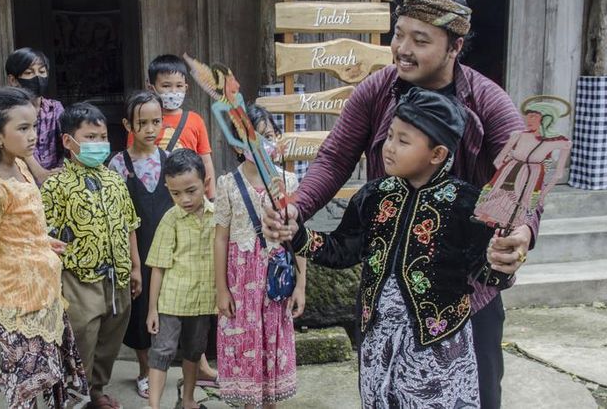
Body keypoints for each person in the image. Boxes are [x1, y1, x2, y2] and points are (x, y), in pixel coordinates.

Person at [263, 0, 536, 409]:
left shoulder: (487, 102)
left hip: (465, 295)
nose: (402, 49)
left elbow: (520, 179)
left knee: (478, 397)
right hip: (387, 293)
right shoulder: (377, 90)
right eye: (398, 34)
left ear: (455, 46)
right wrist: (296, 209)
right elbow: (335, 158)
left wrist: (519, 231)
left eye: (420, 40)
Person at [292, 88, 508, 407]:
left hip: (438, 343)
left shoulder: (467, 204)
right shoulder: (373, 196)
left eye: (403, 141)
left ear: (437, 154)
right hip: (378, 337)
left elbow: (486, 272)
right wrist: (297, 236)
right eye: (389, 136)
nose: (388, 148)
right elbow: (344, 249)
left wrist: (503, 259)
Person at [0, 87, 89, 408]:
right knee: (29, 385)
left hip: (44, 291)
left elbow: (19, 229)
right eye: (22, 128)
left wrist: (41, 242)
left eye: (34, 126)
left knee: (51, 378)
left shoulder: (20, 168)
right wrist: (28, 248)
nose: (33, 136)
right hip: (19, 299)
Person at [41, 102, 142, 409]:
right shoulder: (55, 185)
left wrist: (135, 267)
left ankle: (96, 390)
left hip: (118, 275)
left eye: (101, 137)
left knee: (110, 338)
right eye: (90, 137)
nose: (98, 143)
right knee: (82, 339)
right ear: (68, 141)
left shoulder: (114, 179)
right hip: (79, 278)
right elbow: (45, 237)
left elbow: (130, 223)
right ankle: (75, 397)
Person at [215, 104, 305, 408]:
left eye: (267, 136)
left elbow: (298, 238)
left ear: (277, 137)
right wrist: (220, 289)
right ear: (236, 146)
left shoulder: (289, 182)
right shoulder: (227, 184)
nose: (261, 145)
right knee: (244, 345)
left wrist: (301, 285)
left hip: (276, 281)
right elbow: (220, 238)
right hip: (240, 283)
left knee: (273, 344)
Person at [108, 90, 173, 399]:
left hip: (169, 250)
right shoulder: (119, 165)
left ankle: (182, 365)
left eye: (156, 122)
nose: (150, 129)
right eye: (143, 122)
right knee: (141, 310)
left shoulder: (170, 160)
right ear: (128, 125)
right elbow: (119, 218)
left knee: (171, 306)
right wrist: (132, 262)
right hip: (138, 249)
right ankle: (145, 370)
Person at [145, 149, 217, 409]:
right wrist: (152, 309)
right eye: (175, 193)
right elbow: (158, 267)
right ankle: (153, 406)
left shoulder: (218, 217)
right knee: (161, 352)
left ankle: (188, 399)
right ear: (168, 189)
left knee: (194, 352)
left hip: (203, 301)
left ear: (205, 183)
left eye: (191, 191)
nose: (184, 199)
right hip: (171, 302)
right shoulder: (170, 220)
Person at [128, 54, 217, 200]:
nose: (173, 91)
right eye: (166, 86)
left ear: (186, 87)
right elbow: (133, 159)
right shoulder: (141, 121)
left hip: (189, 195)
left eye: (179, 86)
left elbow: (205, 161)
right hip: (155, 195)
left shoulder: (195, 120)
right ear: (151, 87)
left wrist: (212, 196)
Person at [474, 98, 572, 230]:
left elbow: (558, 174)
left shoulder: (559, 142)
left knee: (520, 209)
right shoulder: (517, 135)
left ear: (546, 118)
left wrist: (542, 195)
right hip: (507, 173)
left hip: (531, 179)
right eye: (527, 116)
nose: (528, 120)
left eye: (533, 116)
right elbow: (498, 160)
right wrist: (504, 171)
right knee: (494, 206)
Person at [6, 48, 65, 185]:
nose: (37, 77)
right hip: (20, 183)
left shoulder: (55, 109)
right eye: (29, 72)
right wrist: (39, 173)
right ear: (13, 80)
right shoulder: (7, 111)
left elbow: (67, 141)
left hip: (54, 182)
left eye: (42, 71)